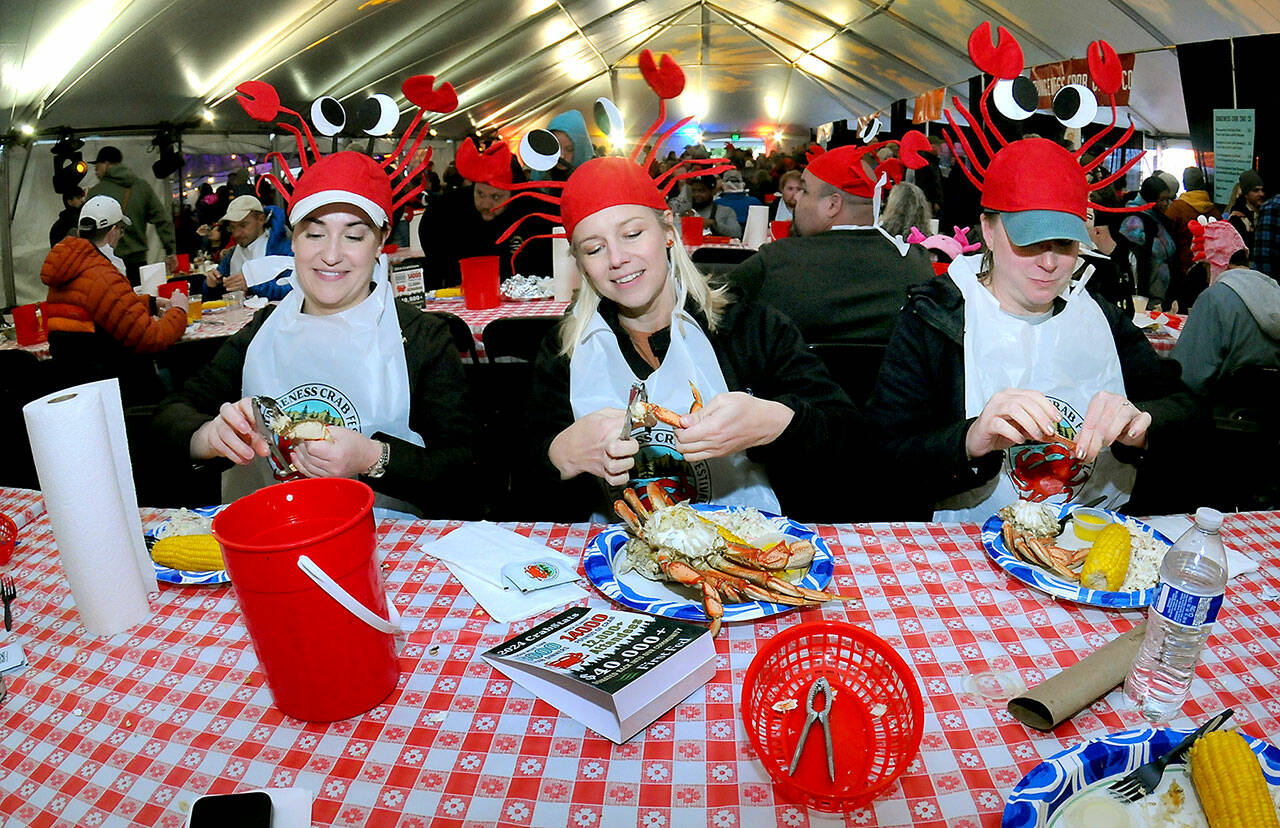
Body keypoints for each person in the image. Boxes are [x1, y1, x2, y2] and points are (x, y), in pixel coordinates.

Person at [867, 137, 1199, 521]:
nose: (1050, 262)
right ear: (988, 231)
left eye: (1064, 243)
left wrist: (1141, 423)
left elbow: (1189, 411)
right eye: (1030, 242)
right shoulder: (933, 319)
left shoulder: (1099, 316)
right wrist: (968, 442)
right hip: (965, 549)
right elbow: (880, 459)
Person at [525, 155, 862, 522]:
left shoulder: (753, 328)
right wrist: (556, 456)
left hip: (745, 552)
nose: (617, 258)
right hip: (610, 560)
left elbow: (852, 443)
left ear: (669, 231)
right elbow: (519, 487)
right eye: (594, 248)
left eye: (632, 234)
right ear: (580, 262)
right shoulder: (564, 350)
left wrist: (777, 423)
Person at [154, 151, 473, 517]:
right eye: (315, 233)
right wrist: (206, 436)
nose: (331, 254)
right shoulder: (263, 333)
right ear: (293, 241)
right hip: (275, 536)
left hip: (384, 546)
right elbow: (168, 415)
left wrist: (373, 456)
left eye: (354, 236)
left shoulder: (420, 337)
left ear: (381, 240)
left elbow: (463, 469)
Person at [727, 144, 933, 345]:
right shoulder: (917, 264)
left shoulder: (773, 262)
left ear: (833, 205)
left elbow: (713, 309)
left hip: (793, 378)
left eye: (804, 191)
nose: (797, 198)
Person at [41, 195, 189, 402]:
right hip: (117, 389)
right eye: (121, 230)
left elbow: (100, 309)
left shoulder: (69, 267)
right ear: (112, 231)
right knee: (185, 378)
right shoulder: (102, 274)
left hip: (80, 387)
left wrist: (150, 303)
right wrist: (179, 311)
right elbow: (151, 338)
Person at [418, 138, 549, 287]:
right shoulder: (444, 211)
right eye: (480, 194)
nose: (486, 204)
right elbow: (434, 251)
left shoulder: (534, 213)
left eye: (496, 197)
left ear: (512, 195)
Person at [1172, 220, 1280, 395]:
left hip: (1224, 409)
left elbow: (1188, 374)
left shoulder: (1214, 298)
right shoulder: (1274, 291)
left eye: (1206, 267)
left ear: (1215, 264)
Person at [87, 146, 178, 284]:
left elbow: (87, 231)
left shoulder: (95, 192)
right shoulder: (141, 186)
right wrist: (170, 250)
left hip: (106, 264)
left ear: (106, 164)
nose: (96, 171)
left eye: (97, 166)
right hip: (137, 262)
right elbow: (162, 220)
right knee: (138, 300)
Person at [205, 195, 294, 300]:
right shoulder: (231, 255)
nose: (236, 233)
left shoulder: (284, 249)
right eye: (233, 227)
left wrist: (252, 286)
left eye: (243, 225)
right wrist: (211, 284)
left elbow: (295, 288)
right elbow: (216, 298)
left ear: (261, 219)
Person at [1118, 175, 1178, 309]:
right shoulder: (1133, 220)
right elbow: (1137, 257)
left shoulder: (1158, 218)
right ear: (1150, 198)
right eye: (1161, 199)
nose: (1165, 204)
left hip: (1160, 289)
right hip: (1146, 291)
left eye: (1167, 199)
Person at [531, 111, 594, 182]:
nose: (561, 156)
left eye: (569, 149)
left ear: (580, 150)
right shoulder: (540, 175)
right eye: (556, 147)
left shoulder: (591, 179)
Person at [1226, 169, 1265, 252]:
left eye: (1262, 190)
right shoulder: (1237, 217)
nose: (1261, 194)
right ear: (1246, 194)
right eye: (1256, 190)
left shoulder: (1265, 212)